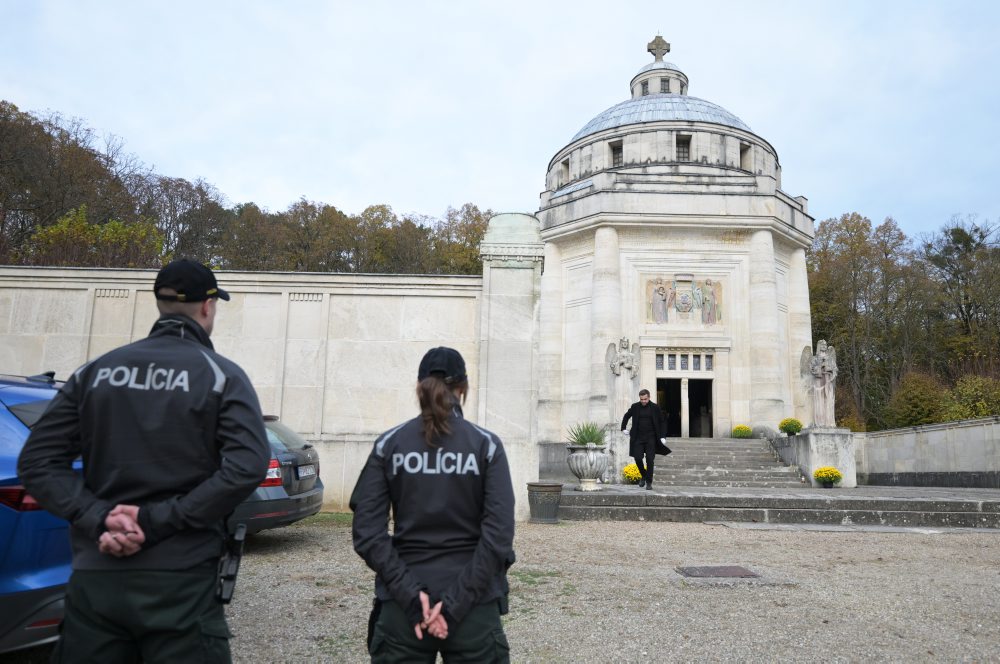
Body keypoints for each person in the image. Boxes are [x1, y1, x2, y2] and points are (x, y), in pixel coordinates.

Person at [17, 258, 270, 663]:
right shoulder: (220, 375)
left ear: (159, 303)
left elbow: (38, 462)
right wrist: (154, 522)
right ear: (208, 307)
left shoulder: (95, 372)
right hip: (180, 581)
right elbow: (246, 466)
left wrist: (99, 516)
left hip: (96, 577)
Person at [351, 346, 515, 663]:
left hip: (403, 608)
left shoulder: (390, 444)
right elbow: (498, 537)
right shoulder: (486, 445)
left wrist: (413, 598)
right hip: (474, 609)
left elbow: (367, 532)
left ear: (418, 387)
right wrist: (454, 607)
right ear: (463, 388)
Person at [621, 388, 669, 490]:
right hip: (638, 437)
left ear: (649, 397)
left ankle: (649, 482)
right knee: (637, 458)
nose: (643, 401)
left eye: (645, 399)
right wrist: (623, 428)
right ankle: (643, 475)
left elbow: (662, 421)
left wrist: (663, 436)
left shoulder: (655, 407)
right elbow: (626, 416)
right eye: (642, 399)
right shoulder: (635, 407)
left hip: (651, 438)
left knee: (650, 460)